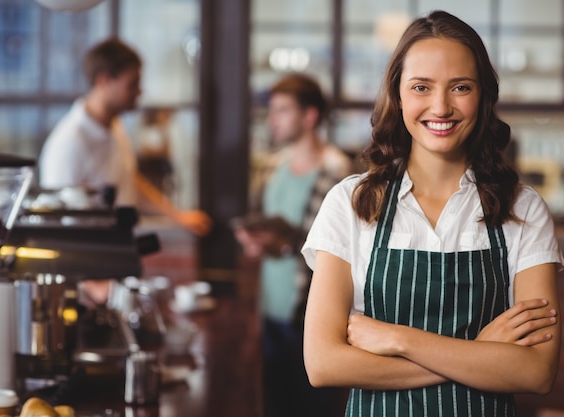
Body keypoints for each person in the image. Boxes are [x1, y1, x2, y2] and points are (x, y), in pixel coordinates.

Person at [301, 10, 564, 417]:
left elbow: (535, 372)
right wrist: (480, 354)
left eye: (460, 87)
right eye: (421, 87)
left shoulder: (522, 209)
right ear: (398, 94)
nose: (440, 107)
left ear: (483, 96)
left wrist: (398, 339)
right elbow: (323, 364)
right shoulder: (350, 203)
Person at [38, 37, 211, 306]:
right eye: (133, 83)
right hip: (85, 289)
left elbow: (129, 180)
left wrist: (177, 216)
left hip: (114, 267)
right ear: (104, 80)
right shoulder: (69, 144)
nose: (140, 91)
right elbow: (56, 230)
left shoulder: (114, 126)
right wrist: (92, 286)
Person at [233, 73, 353, 417]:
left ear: (310, 116)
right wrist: (253, 240)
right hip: (270, 307)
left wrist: (285, 246)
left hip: (310, 312)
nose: (273, 119)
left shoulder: (337, 173)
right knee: (273, 404)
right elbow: (261, 220)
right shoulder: (273, 167)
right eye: (273, 110)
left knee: (313, 406)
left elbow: (340, 249)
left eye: (283, 110)